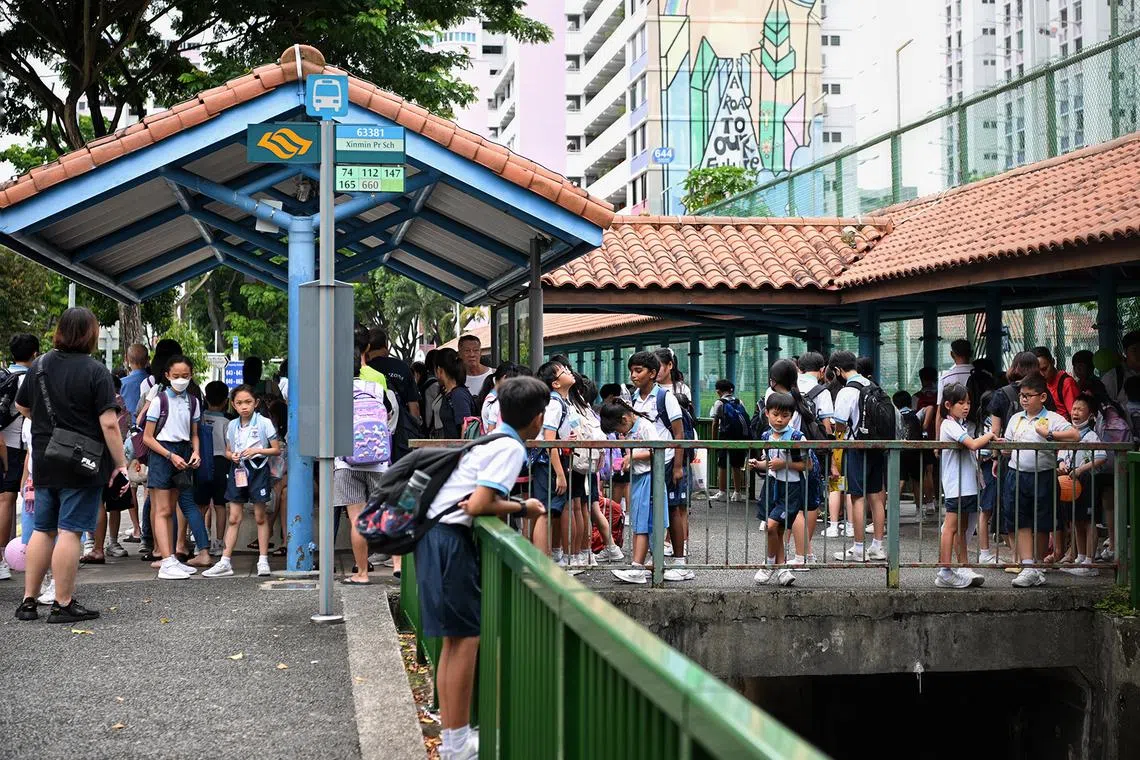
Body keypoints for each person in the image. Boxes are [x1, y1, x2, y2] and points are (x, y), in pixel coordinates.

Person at [414, 376, 547, 760]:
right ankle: (456, 745)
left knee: (454, 641)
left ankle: (454, 736)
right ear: (537, 418)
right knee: (466, 640)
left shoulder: (489, 438)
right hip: (449, 542)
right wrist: (525, 507)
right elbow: (477, 504)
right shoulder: (509, 448)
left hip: (433, 537)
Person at [14, 308, 129, 623]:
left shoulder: (40, 365)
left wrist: (50, 425)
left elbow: (22, 405)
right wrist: (121, 464)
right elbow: (108, 424)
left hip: (45, 458)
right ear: (91, 335)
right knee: (70, 531)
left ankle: (28, 601)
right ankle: (62, 603)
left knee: (42, 529)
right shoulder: (96, 371)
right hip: (82, 461)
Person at [1001, 373, 1080, 587]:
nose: (1024, 399)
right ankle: (1028, 565)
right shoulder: (1015, 418)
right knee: (1021, 519)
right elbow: (1007, 445)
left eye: (1029, 395)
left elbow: (1075, 435)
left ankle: (1036, 565)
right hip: (1016, 473)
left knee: (1042, 521)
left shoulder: (1053, 418)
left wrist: (1050, 435)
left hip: (1043, 474)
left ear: (1042, 396)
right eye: (1021, 396)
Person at [142, 355, 210, 580]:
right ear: (167, 375)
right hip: (163, 455)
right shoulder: (159, 400)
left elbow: (194, 434)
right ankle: (167, 559)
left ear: (191, 376)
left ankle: (170, 557)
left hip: (183, 453)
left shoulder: (193, 401)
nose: (181, 379)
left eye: (185, 376)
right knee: (163, 510)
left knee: (172, 508)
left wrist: (196, 452)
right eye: (176, 376)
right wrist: (170, 456)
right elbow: (148, 438)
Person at [202, 385, 281, 578]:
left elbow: (276, 449)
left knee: (260, 516)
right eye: (239, 403)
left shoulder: (264, 423)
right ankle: (225, 561)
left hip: (258, 470)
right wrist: (232, 456)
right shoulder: (232, 425)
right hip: (238, 470)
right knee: (233, 517)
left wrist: (257, 450)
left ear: (256, 403)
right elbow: (228, 451)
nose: (244, 406)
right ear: (233, 405)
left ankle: (263, 560)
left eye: (248, 402)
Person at [628, 351, 692, 580]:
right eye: (632, 371)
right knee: (650, 512)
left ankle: (680, 561)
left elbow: (678, 433)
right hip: (647, 464)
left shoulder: (666, 398)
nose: (634, 375)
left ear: (652, 373)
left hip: (665, 462)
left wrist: (677, 466)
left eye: (639, 371)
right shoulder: (633, 399)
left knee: (674, 508)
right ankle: (656, 560)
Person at [335, 350, 392, 586]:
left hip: (345, 462)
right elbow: (390, 415)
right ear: (362, 363)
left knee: (357, 519)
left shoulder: (334, 391)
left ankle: (361, 573)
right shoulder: (376, 388)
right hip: (378, 462)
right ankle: (398, 564)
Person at [598, 399, 669, 585]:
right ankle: (650, 563)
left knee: (643, 523)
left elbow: (658, 448)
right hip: (640, 477)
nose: (619, 434)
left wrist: (632, 456)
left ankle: (637, 567)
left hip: (650, 477)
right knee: (643, 521)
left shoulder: (645, 426)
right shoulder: (631, 429)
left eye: (617, 429)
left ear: (624, 419)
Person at [748, 392, 811, 587]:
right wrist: (758, 464)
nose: (779, 419)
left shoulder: (797, 437)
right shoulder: (766, 435)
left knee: (773, 526)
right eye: (775, 414)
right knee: (776, 529)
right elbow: (769, 463)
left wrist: (784, 464)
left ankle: (768, 565)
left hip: (790, 488)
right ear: (766, 413)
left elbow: (807, 465)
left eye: (785, 415)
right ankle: (782, 568)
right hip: (773, 485)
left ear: (791, 416)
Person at [935, 383, 994, 589]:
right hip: (956, 486)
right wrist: (991, 435)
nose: (966, 406)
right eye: (961, 403)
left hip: (967, 485)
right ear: (949, 404)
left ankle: (963, 566)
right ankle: (945, 570)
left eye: (968, 402)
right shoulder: (948, 425)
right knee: (951, 527)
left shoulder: (958, 424)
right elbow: (973, 444)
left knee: (962, 528)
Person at [831, 351, 887, 562]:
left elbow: (840, 422)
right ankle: (878, 547)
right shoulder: (874, 386)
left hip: (856, 447)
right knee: (876, 496)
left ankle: (858, 548)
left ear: (838, 370)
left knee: (857, 497)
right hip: (877, 446)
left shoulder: (847, 391)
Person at [0, 333, 38, 580]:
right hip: (16, 447)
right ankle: (3, 558)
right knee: (7, 501)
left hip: (2, 443)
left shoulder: (2, 375)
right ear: (34, 354)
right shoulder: (30, 379)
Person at [530, 360, 575, 562]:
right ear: (555, 384)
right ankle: (541, 560)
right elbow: (550, 441)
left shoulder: (560, 402)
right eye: (564, 371)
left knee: (548, 511)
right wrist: (560, 474)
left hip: (550, 460)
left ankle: (544, 559)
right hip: (547, 462)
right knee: (545, 511)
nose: (569, 372)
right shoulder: (555, 404)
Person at [1057, 393, 1107, 577]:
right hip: (1071, 481)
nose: (1075, 412)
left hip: (1087, 480)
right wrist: (1062, 464)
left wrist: (1080, 470)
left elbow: (1101, 457)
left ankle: (1090, 562)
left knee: (1088, 521)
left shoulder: (1091, 436)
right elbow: (1061, 454)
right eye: (1074, 408)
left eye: (1080, 409)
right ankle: (1080, 557)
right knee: (1075, 519)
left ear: (1090, 414)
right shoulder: (1070, 432)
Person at [366, 326, 422, 456]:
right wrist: (413, 431)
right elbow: (414, 406)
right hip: (400, 435)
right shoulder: (402, 367)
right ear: (386, 345)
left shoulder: (364, 369)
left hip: (371, 434)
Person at [196, 381, 232, 557]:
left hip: (201, 462)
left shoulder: (200, 418)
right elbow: (229, 447)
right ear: (227, 401)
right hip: (221, 463)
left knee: (201, 505)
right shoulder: (227, 422)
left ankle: (200, 542)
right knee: (220, 505)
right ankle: (218, 543)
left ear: (205, 398)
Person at [708, 379, 748, 502]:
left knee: (723, 464)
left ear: (718, 391)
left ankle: (722, 492)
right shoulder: (739, 401)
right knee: (737, 465)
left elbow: (715, 423)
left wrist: (714, 441)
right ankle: (737, 492)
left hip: (725, 437)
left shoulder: (719, 403)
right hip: (739, 438)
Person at [434, 348, 474, 439]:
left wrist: (462, 452)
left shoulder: (458, 395)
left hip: (458, 451)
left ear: (439, 370)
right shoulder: (449, 393)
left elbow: (466, 426)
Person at [1102, 330, 1140, 406]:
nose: (1139, 354)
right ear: (1125, 351)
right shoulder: (1114, 376)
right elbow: (1104, 406)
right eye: (1134, 350)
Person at [457, 334, 493, 398]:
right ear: (459, 354)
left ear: (480, 353)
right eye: (467, 351)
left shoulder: (494, 374)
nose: (472, 355)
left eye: (476, 350)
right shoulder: (455, 380)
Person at [120, 343, 149, 418]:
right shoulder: (154, 382)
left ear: (127, 359)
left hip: (128, 427)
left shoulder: (121, 383)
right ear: (147, 359)